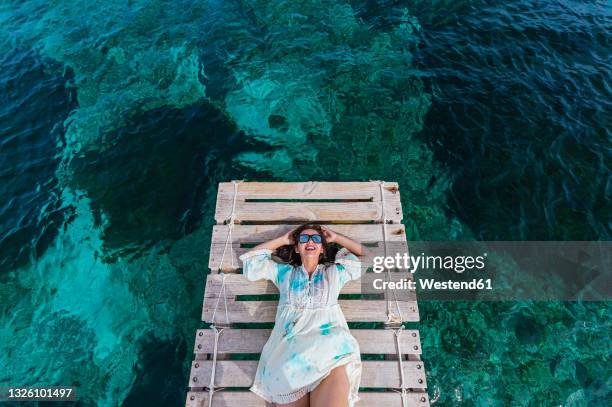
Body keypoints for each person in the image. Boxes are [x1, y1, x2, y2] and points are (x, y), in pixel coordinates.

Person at [239, 223, 365, 407]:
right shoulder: (284, 273)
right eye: (303, 239)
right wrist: (283, 239)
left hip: (331, 354)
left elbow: (369, 257)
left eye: (316, 239)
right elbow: (251, 265)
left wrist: (336, 237)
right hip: (289, 361)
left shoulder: (335, 273)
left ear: (322, 248)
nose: (310, 242)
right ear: (297, 248)